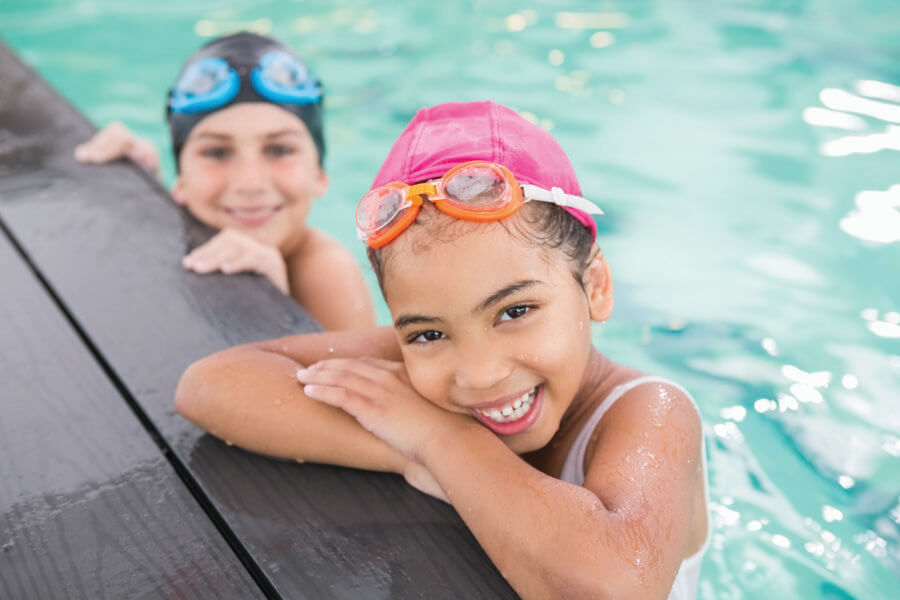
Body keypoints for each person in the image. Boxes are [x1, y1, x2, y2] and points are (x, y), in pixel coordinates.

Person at [175, 100, 709, 599]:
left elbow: (614, 586)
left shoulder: (651, 411)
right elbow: (211, 385)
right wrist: (415, 449)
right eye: (427, 333)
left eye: (515, 311)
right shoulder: (426, 359)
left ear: (595, 287)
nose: (478, 373)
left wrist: (442, 440)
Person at [74, 32, 375, 330]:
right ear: (181, 180)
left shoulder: (327, 272)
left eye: (279, 149)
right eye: (217, 152)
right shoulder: (190, 223)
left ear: (319, 175)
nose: (250, 183)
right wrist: (141, 189)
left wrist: (274, 310)